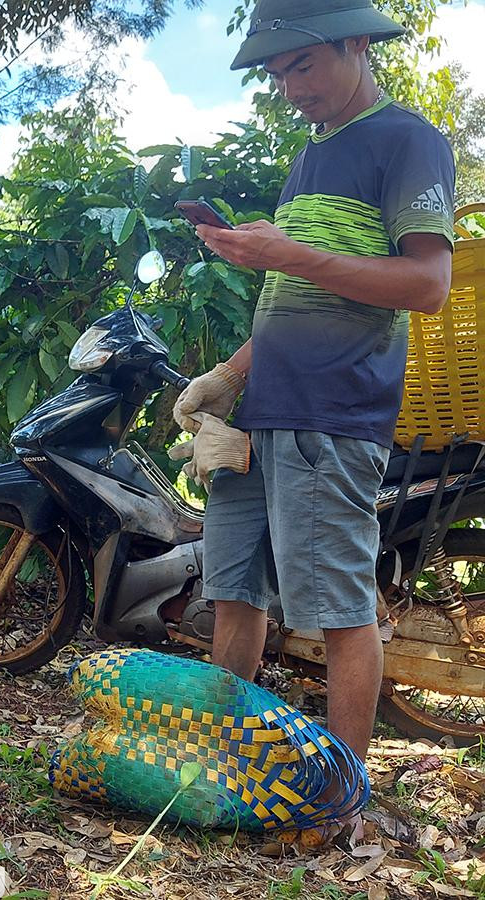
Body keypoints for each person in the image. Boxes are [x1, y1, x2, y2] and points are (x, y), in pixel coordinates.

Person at [172, 0, 455, 834]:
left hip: (334, 416)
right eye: (277, 72)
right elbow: (291, 293)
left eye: (303, 64)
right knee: (234, 594)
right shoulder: (310, 157)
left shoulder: (409, 140)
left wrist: (286, 251)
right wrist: (226, 377)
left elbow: (427, 285)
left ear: (357, 43)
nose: (290, 87)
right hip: (256, 420)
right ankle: (227, 769)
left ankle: (340, 799)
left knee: (338, 609)